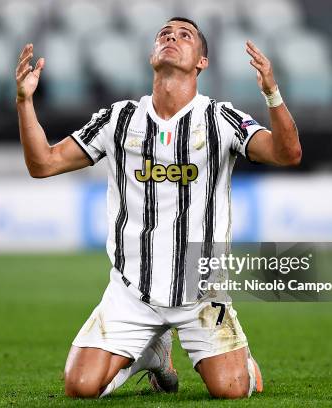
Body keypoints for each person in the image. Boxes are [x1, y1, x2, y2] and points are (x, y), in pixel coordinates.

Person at [15, 17, 301, 399]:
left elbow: (288, 153)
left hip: (202, 291)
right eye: (164, 34)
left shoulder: (220, 118)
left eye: (185, 36)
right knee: (79, 387)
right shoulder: (118, 119)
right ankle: (153, 354)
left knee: (231, 389)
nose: (172, 37)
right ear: (152, 54)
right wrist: (24, 101)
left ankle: (238, 362)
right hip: (132, 292)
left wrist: (272, 95)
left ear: (202, 61)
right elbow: (43, 164)